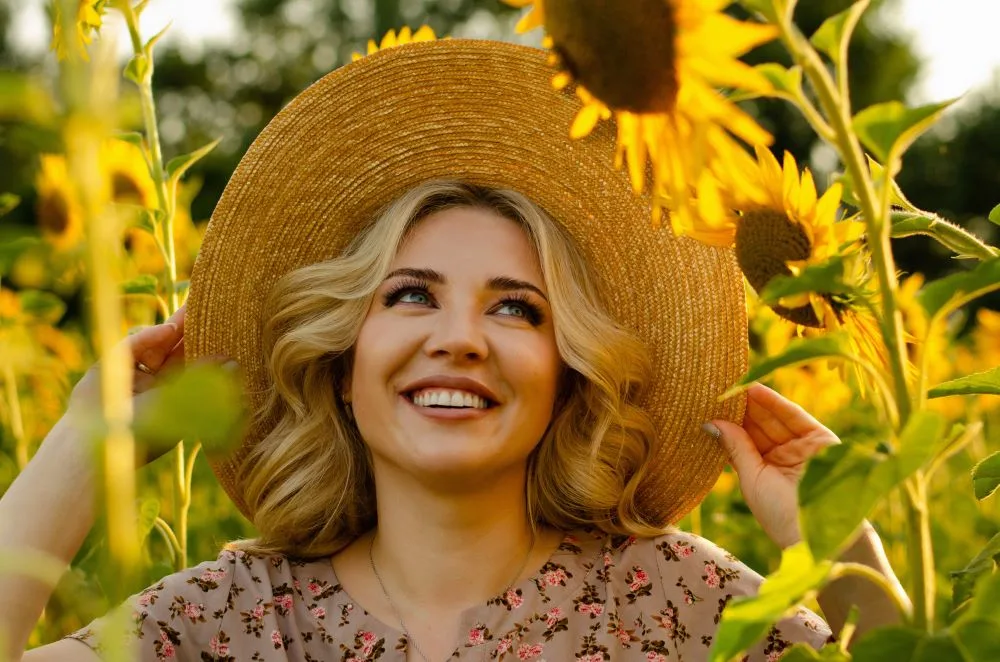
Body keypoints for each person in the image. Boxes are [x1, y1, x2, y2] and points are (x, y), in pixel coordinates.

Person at [1, 38, 906, 662]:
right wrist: (87, 451)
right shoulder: (231, 622)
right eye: (409, 296)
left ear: (568, 376)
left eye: (517, 310)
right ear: (342, 364)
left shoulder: (677, 605)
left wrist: (834, 539)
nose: (460, 338)